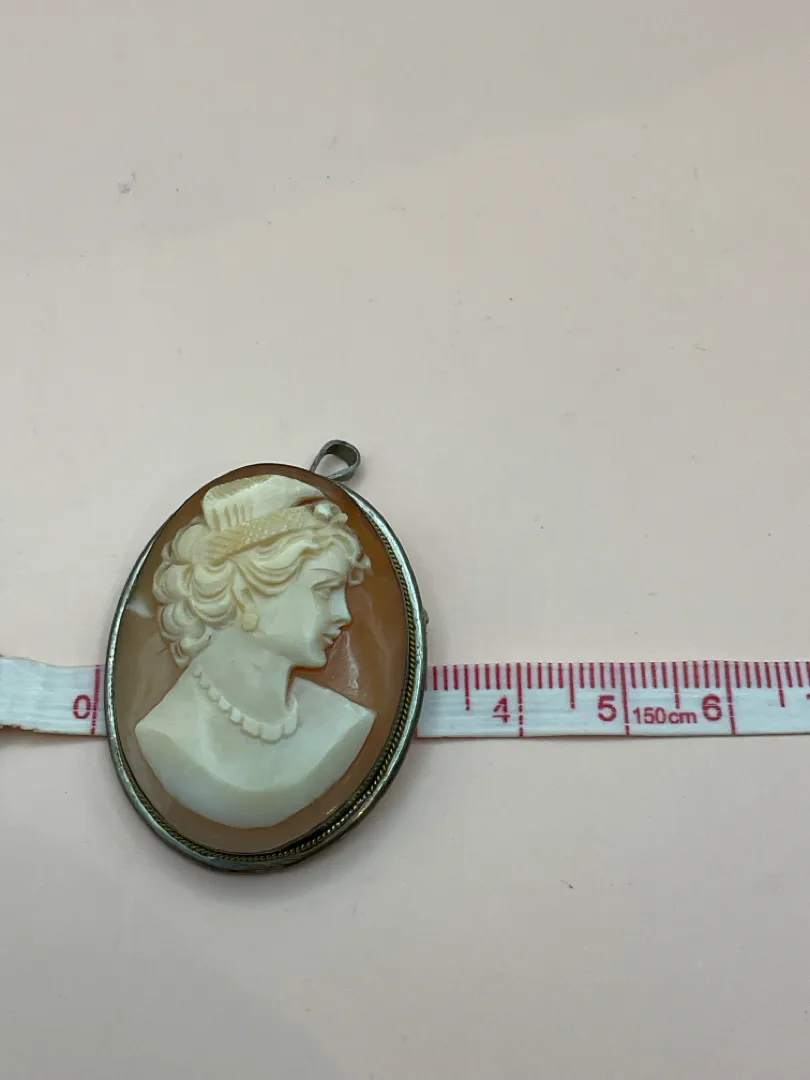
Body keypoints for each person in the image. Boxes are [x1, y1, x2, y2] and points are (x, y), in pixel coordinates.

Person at [134, 473, 375, 829]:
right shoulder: (167, 733)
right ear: (245, 592)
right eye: (324, 590)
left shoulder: (344, 721)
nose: (344, 614)